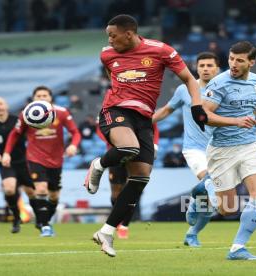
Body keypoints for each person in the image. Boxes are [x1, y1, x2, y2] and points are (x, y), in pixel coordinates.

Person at [84, 14, 207, 257]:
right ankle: (98, 164)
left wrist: (196, 105)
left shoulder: (162, 51)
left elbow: (189, 79)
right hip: (115, 110)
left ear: (129, 33)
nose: (110, 40)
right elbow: (114, 80)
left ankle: (106, 232)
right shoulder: (107, 54)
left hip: (144, 119)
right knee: (129, 148)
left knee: (141, 177)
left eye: (113, 35)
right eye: (108, 36)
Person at [201, 41, 256, 260]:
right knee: (228, 210)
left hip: (250, 146)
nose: (233, 64)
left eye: (239, 60)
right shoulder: (219, 83)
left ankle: (237, 248)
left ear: (252, 62)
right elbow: (204, 116)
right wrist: (235, 121)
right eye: (231, 59)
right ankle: (209, 186)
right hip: (222, 150)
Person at [153, 51, 219, 247]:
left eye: (209, 65)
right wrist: (143, 122)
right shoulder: (185, 90)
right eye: (202, 66)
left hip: (219, 150)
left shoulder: (225, 90)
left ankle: (192, 234)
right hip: (194, 148)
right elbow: (166, 110)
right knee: (209, 181)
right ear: (196, 68)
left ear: (217, 68)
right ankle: (195, 196)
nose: (205, 69)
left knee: (208, 204)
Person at [2, 86, 82, 237]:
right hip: (35, 157)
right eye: (38, 95)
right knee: (41, 189)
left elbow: (75, 132)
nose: (42, 98)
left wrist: (73, 145)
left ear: (50, 98)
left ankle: (45, 220)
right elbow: (15, 133)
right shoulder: (26, 114)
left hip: (56, 159)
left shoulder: (61, 112)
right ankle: (45, 226)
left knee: (54, 196)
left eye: (45, 95)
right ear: (33, 99)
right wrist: (6, 153)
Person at [96, 122, 160, 239]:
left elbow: (153, 126)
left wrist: (154, 144)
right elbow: (99, 128)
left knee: (132, 190)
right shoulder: (112, 111)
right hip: (117, 153)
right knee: (116, 194)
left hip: (137, 153)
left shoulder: (142, 109)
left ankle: (124, 226)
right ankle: (117, 221)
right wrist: (112, 138)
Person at [0, 97, 36, 233]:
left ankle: (41, 221)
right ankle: (16, 219)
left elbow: (30, 136)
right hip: (6, 162)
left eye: (0, 103)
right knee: (9, 189)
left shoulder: (17, 121)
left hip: (23, 161)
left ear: (6, 105)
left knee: (31, 192)